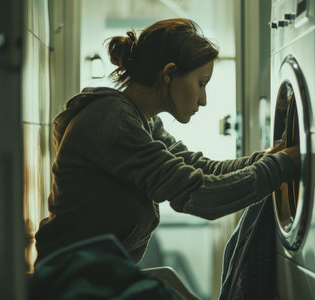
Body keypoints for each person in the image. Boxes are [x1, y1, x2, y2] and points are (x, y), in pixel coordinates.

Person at [34, 18, 299, 265]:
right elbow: (200, 194)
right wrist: (280, 166)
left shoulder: (142, 121)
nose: (203, 99)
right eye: (201, 83)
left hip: (93, 273)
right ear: (169, 73)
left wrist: (267, 159)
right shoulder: (112, 120)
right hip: (70, 279)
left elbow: (201, 168)